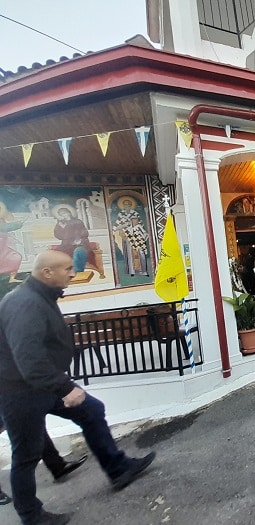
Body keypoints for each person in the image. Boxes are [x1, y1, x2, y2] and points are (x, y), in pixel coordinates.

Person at [0, 250, 156, 525]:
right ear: (47, 272)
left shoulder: (39, 296)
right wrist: (65, 388)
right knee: (26, 456)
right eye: (67, 268)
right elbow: (29, 359)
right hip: (20, 392)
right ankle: (31, 517)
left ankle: (119, 469)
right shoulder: (24, 303)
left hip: (42, 385)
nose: (73, 273)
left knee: (91, 410)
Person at [112, 197, 149, 277]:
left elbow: (141, 225)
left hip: (137, 236)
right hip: (127, 236)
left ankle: (144, 271)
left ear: (131, 205)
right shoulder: (121, 214)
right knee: (129, 253)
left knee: (141, 252)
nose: (127, 206)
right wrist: (125, 225)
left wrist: (143, 233)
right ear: (123, 206)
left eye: (128, 204)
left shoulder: (135, 213)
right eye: (125, 205)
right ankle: (132, 271)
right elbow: (115, 227)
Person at [52, 206, 93, 274]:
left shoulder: (77, 221)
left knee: (78, 251)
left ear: (69, 213)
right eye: (61, 214)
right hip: (67, 245)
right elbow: (58, 236)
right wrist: (62, 228)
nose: (64, 216)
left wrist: (80, 240)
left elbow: (85, 233)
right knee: (60, 255)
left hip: (80, 244)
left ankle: (77, 271)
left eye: (64, 213)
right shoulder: (61, 224)